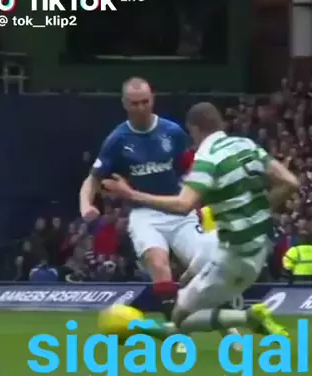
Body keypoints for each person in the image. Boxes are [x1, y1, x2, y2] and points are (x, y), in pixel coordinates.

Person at [102, 102, 297, 338]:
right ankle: (236, 320)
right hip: (259, 249)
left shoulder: (207, 159)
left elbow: (183, 205)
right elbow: (290, 182)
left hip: (234, 256)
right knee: (196, 272)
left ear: (194, 129)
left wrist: (131, 194)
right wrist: (258, 210)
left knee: (180, 317)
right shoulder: (246, 145)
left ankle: (248, 317)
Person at [79, 79, 241, 352]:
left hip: (179, 209)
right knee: (159, 263)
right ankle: (179, 336)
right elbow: (93, 178)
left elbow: (193, 167)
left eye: (145, 102)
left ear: (152, 99)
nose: (141, 108)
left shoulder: (172, 132)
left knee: (206, 268)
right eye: (135, 103)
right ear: (125, 104)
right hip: (145, 215)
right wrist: (86, 205)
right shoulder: (117, 140)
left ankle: (227, 327)